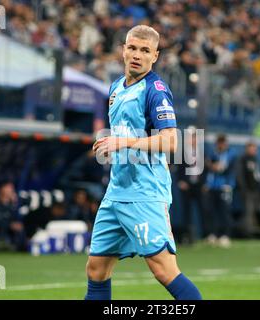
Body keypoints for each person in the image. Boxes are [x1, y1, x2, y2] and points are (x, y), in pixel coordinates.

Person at [85, 25, 202, 300]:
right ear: (123, 50)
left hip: (145, 194)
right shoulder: (115, 88)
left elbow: (171, 141)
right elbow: (125, 133)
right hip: (116, 193)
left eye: (145, 50)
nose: (137, 55)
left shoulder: (156, 90)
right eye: (132, 48)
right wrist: (111, 143)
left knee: (164, 271)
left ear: (155, 56)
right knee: (96, 269)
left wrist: (122, 143)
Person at [204, 134, 236, 247]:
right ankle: (213, 234)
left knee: (225, 211)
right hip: (212, 187)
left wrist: (213, 166)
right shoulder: (213, 153)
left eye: (223, 142)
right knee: (211, 211)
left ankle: (225, 235)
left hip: (225, 187)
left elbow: (222, 168)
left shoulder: (231, 153)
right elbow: (210, 166)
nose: (221, 145)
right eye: (219, 142)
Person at [176, 129, 206, 244]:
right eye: (191, 138)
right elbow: (179, 167)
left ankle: (205, 235)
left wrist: (204, 183)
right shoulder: (183, 152)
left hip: (198, 185)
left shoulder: (202, 152)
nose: (192, 140)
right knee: (186, 212)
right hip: (186, 185)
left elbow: (205, 169)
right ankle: (186, 236)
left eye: (194, 138)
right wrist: (181, 181)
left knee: (203, 210)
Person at [236, 141, 260, 238]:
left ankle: (250, 230)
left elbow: (258, 175)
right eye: (252, 148)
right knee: (248, 211)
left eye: (255, 148)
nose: (254, 150)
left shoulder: (255, 159)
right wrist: (244, 188)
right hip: (247, 190)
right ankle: (247, 233)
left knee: (253, 212)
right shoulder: (243, 159)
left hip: (256, 190)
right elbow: (240, 175)